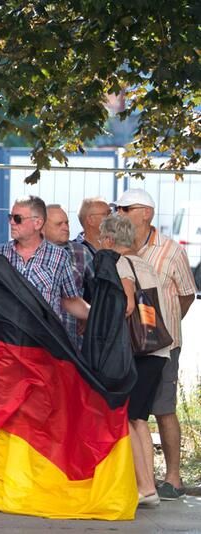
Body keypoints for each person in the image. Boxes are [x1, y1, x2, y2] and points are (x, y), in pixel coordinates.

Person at [115, 188, 196, 500]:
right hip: (130, 346)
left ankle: (172, 478)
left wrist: (167, 325)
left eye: (126, 208)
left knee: (163, 407)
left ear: (145, 213)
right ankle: (139, 479)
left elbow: (187, 294)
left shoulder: (170, 250)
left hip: (163, 345)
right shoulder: (122, 247)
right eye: (119, 209)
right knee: (135, 412)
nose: (120, 213)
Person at [98, 215, 170, 508]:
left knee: (128, 419)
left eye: (103, 239)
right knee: (139, 419)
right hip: (157, 351)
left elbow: (127, 304)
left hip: (139, 352)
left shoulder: (121, 264)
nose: (102, 244)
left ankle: (144, 486)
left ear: (111, 241)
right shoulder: (144, 263)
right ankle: (147, 487)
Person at [0, 196, 89, 338]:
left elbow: (70, 300)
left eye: (17, 218)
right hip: (8, 343)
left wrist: (99, 317)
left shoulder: (59, 256)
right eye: (10, 217)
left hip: (44, 345)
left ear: (37, 223)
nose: (11, 222)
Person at [43, 203, 93, 345]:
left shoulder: (80, 252)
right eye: (59, 224)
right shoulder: (27, 253)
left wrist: (88, 315)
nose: (65, 227)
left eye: (67, 223)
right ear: (42, 228)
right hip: (36, 338)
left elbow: (98, 289)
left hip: (71, 337)